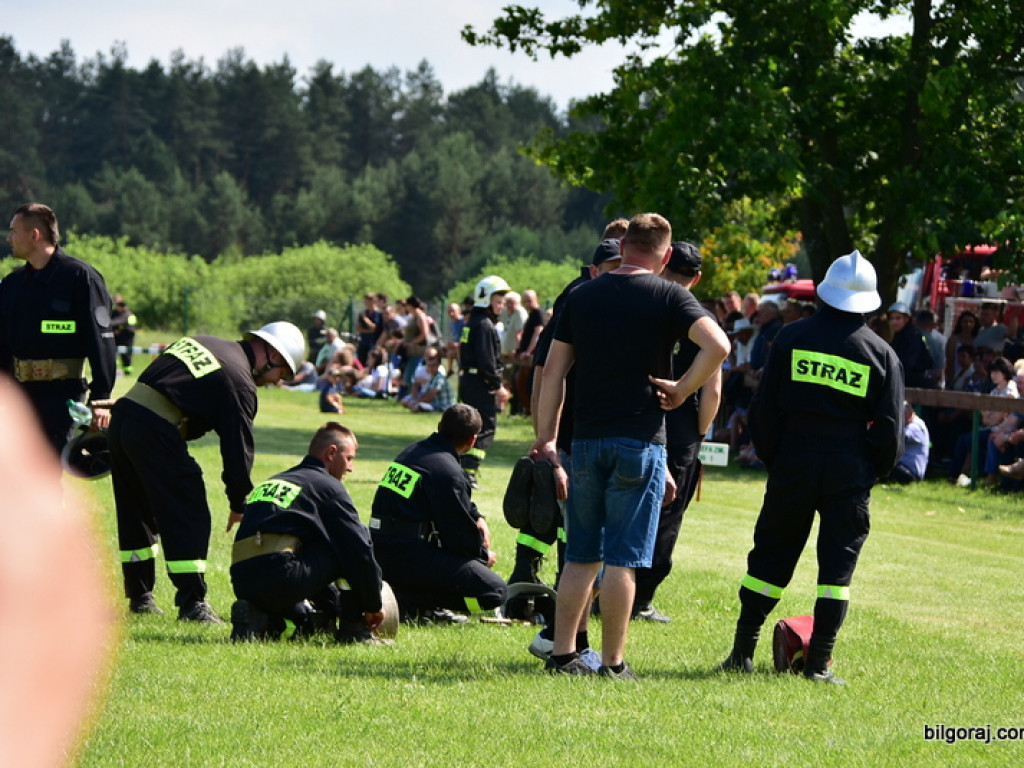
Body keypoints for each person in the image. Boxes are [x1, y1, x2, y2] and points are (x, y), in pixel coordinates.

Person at [531, 213, 729, 678]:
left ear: (622, 248)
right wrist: (681, 389)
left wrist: (547, 438)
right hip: (640, 441)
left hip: (587, 439)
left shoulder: (582, 296)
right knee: (624, 558)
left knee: (580, 553)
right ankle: (613, 663)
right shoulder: (670, 294)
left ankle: (562, 655)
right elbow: (717, 346)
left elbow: (554, 373)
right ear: (664, 254)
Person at [717, 250, 903, 684]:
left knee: (770, 555)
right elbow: (890, 431)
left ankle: (742, 652)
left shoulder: (789, 337)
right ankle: (818, 664)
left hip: (794, 461)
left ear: (823, 293)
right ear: (870, 302)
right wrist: (868, 471)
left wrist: (776, 457)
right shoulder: (882, 354)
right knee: (836, 572)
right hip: (849, 469)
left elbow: (764, 411)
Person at [107, 321, 306, 622]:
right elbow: (237, 450)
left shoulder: (206, 341)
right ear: (273, 356)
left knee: (136, 509)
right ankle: (192, 604)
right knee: (188, 509)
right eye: (284, 373)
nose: (279, 381)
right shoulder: (240, 381)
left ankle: (140, 595)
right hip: (153, 428)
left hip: (124, 417)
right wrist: (240, 503)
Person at [229, 422, 386, 643]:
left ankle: (260, 620)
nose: (350, 468)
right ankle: (354, 630)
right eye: (349, 458)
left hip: (243, 580)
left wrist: (333, 605)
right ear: (332, 453)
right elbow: (359, 550)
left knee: (310, 618)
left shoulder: (275, 480)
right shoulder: (327, 487)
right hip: (282, 576)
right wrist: (373, 604)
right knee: (348, 543)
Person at [632, 241, 723, 623]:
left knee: (628, 506)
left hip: (637, 416)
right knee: (667, 516)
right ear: (697, 278)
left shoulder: (642, 306)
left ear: (664, 262)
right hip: (682, 425)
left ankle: (610, 586)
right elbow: (713, 389)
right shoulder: (700, 319)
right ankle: (642, 599)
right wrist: (697, 433)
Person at [369, 404, 506, 623]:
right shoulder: (448, 472)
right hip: (408, 554)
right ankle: (418, 603)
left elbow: (457, 502)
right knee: (495, 592)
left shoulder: (414, 452)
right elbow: (458, 535)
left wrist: (478, 517)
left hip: (381, 550)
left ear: (440, 426)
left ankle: (407, 595)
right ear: (472, 441)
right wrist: (481, 556)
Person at [0, 202, 116, 455]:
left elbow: (101, 340)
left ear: (34, 235)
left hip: (62, 395)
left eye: (13, 231)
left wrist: (101, 399)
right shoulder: (12, 285)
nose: (9, 238)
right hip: (19, 394)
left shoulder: (80, 278)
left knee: (47, 467)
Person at [458, 275, 511, 487]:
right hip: (480, 383)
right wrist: (498, 386)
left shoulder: (474, 322)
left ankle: (464, 468)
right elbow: (486, 360)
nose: (501, 306)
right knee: (484, 426)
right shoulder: (485, 325)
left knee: (469, 424)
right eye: (498, 301)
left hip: (470, 381)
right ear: (486, 299)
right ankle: (469, 471)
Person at [514, 289, 545, 417]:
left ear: (536, 299)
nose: (527, 304)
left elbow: (538, 332)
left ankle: (533, 411)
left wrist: (528, 351)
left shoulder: (538, 313)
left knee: (526, 385)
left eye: (529, 301)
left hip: (533, 356)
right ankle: (530, 411)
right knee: (519, 384)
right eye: (525, 301)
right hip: (526, 355)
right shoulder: (532, 314)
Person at [886, 302, 932, 388]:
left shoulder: (912, 335)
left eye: (898, 318)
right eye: (891, 318)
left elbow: (908, 363)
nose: (894, 322)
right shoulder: (899, 334)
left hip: (915, 384)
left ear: (906, 319)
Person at [886, 402, 930, 484]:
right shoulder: (911, 423)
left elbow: (898, 438)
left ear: (909, 415)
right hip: (903, 467)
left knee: (884, 463)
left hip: (911, 473)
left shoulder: (915, 426)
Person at [110, 294, 139, 376]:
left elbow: (119, 322)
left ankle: (127, 371)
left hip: (127, 337)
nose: (121, 307)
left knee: (126, 355)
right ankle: (114, 369)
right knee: (113, 352)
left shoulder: (128, 314)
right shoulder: (114, 313)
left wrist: (119, 330)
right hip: (117, 337)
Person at [355, 293, 381, 366]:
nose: (365, 303)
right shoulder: (363, 312)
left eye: (367, 301)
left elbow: (374, 328)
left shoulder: (378, 313)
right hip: (363, 341)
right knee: (361, 362)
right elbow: (357, 328)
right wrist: (367, 330)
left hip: (373, 342)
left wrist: (365, 319)